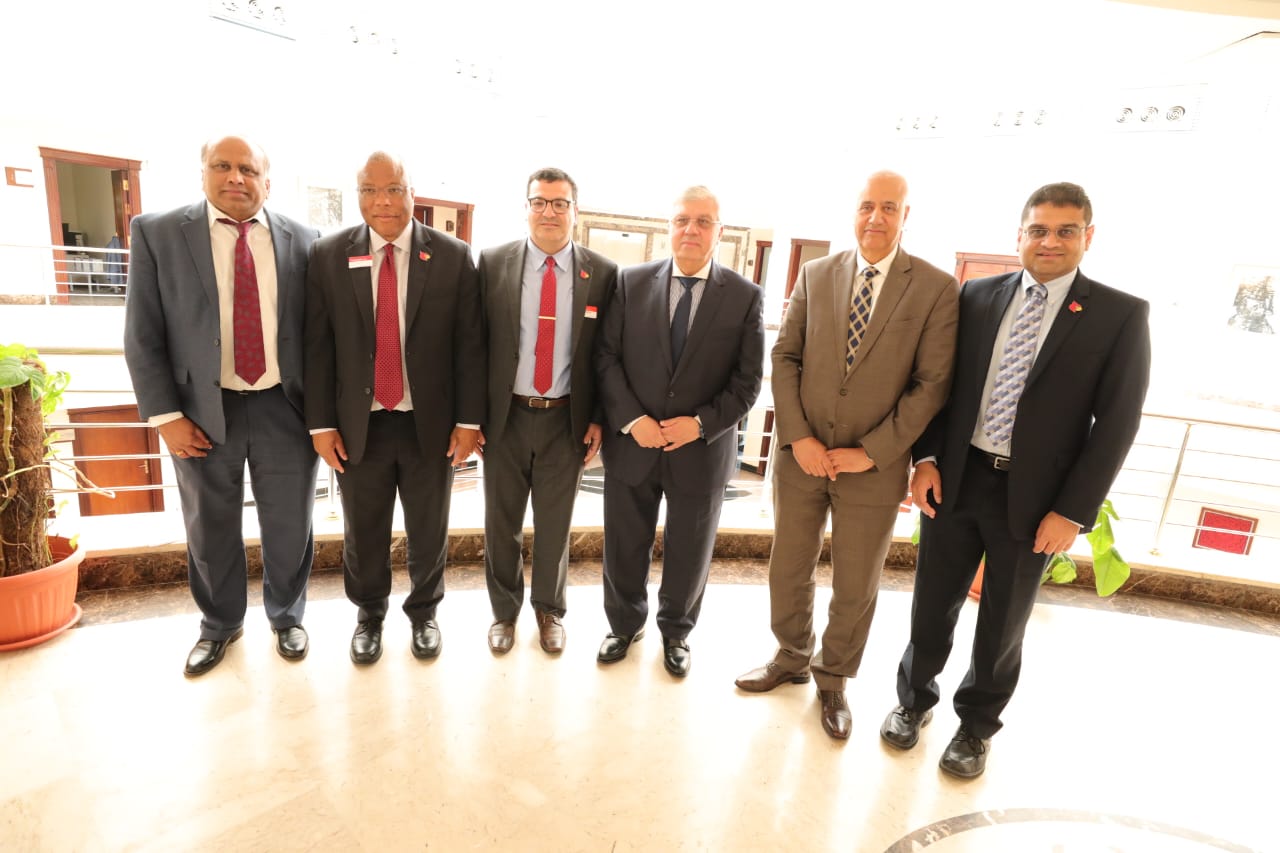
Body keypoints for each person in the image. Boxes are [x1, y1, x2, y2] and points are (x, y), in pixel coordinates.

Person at [881, 182, 1151, 777]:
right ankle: (912, 701)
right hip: (957, 481)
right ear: (1020, 234)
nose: (1050, 241)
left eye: (1065, 231)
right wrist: (926, 460)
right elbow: (941, 387)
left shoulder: (1120, 315)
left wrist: (1073, 511)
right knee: (931, 604)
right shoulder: (976, 295)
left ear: (1087, 236)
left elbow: (1117, 424)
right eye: (1039, 230)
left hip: (1037, 502)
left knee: (1003, 623)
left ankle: (975, 729)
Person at [735, 171, 959, 740]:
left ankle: (833, 677)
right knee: (789, 565)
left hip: (873, 470)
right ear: (854, 212)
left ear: (906, 216)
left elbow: (931, 385)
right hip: (802, 458)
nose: (875, 218)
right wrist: (798, 438)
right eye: (866, 206)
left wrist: (872, 453)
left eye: (889, 207)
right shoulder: (817, 274)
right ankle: (790, 655)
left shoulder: (935, 288)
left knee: (856, 582)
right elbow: (785, 357)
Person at [123, 135, 321, 677]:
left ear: (267, 182)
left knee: (291, 523)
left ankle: (287, 616)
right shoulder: (158, 233)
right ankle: (219, 624)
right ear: (203, 173)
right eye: (223, 166)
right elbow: (142, 333)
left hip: (287, 407)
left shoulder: (304, 239)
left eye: (248, 170)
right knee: (208, 526)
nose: (236, 178)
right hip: (200, 412)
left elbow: (321, 334)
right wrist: (166, 417)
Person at [304, 151, 485, 665]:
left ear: (411, 193)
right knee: (363, 532)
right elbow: (317, 346)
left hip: (431, 425)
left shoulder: (452, 256)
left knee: (429, 528)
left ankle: (425, 614)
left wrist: (468, 422)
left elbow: (470, 346)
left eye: (393, 189)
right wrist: (321, 424)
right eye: (369, 190)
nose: (381, 201)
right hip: (359, 426)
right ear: (358, 195)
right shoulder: (328, 254)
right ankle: (369, 616)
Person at [594, 186, 764, 678]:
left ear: (720, 231)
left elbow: (748, 382)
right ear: (669, 226)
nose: (691, 229)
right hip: (635, 444)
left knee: (690, 551)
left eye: (703, 221)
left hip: (701, 451)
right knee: (624, 543)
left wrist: (700, 424)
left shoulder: (745, 296)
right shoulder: (629, 282)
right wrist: (634, 420)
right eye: (682, 220)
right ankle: (624, 624)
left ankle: (676, 632)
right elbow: (606, 358)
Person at [477, 168, 618, 655]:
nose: (549, 212)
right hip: (505, 418)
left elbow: (606, 354)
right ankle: (503, 612)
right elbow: (474, 345)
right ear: (526, 208)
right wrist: (471, 418)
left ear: (575, 211)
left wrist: (598, 416)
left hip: (566, 420)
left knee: (556, 525)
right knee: (501, 523)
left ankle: (550, 611)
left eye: (560, 203)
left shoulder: (603, 273)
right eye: (539, 202)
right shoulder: (492, 263)